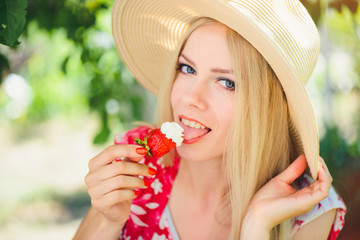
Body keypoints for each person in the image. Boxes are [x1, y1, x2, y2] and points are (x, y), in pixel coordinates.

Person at [74, 0, 346, 239]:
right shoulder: (136, 165)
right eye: (187, 68)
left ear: (266, 108)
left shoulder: (306, 209)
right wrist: (107, 219)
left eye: (227, 82)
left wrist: (256, 227)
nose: (191, 97)